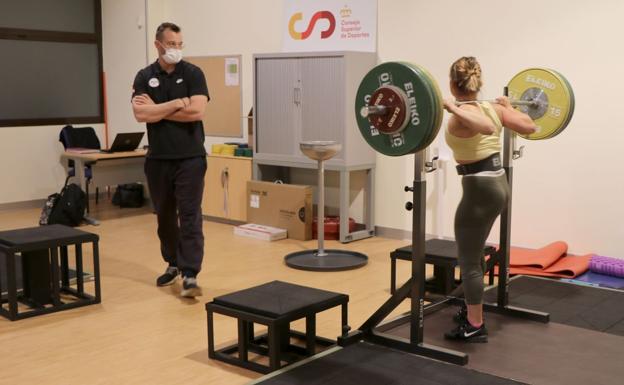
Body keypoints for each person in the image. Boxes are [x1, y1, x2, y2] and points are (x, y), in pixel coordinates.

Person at [442, 57, 536, 342]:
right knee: (474, 252)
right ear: (478, 82)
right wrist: (506, 108)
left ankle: (474, 325)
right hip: (498, 185)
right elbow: (529, 126)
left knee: (468, 259)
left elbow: (485, 128)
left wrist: (449, 106)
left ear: (452, 83)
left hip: (479, 190)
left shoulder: (466, 114)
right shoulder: (492, 107)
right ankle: (474, 309)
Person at [131, 22, 209, 298]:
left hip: (190, 158)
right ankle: (173, 263)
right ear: (158, 45)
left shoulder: (193, 73)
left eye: (179, 44)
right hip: (158, 159)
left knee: (189, 216)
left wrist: (157, 109)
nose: (175, 49)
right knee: (164, 216)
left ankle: (190, 274)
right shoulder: (144, 76)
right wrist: (176, 104)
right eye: (171, 44)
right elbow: (140, 115)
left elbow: (196, 112)